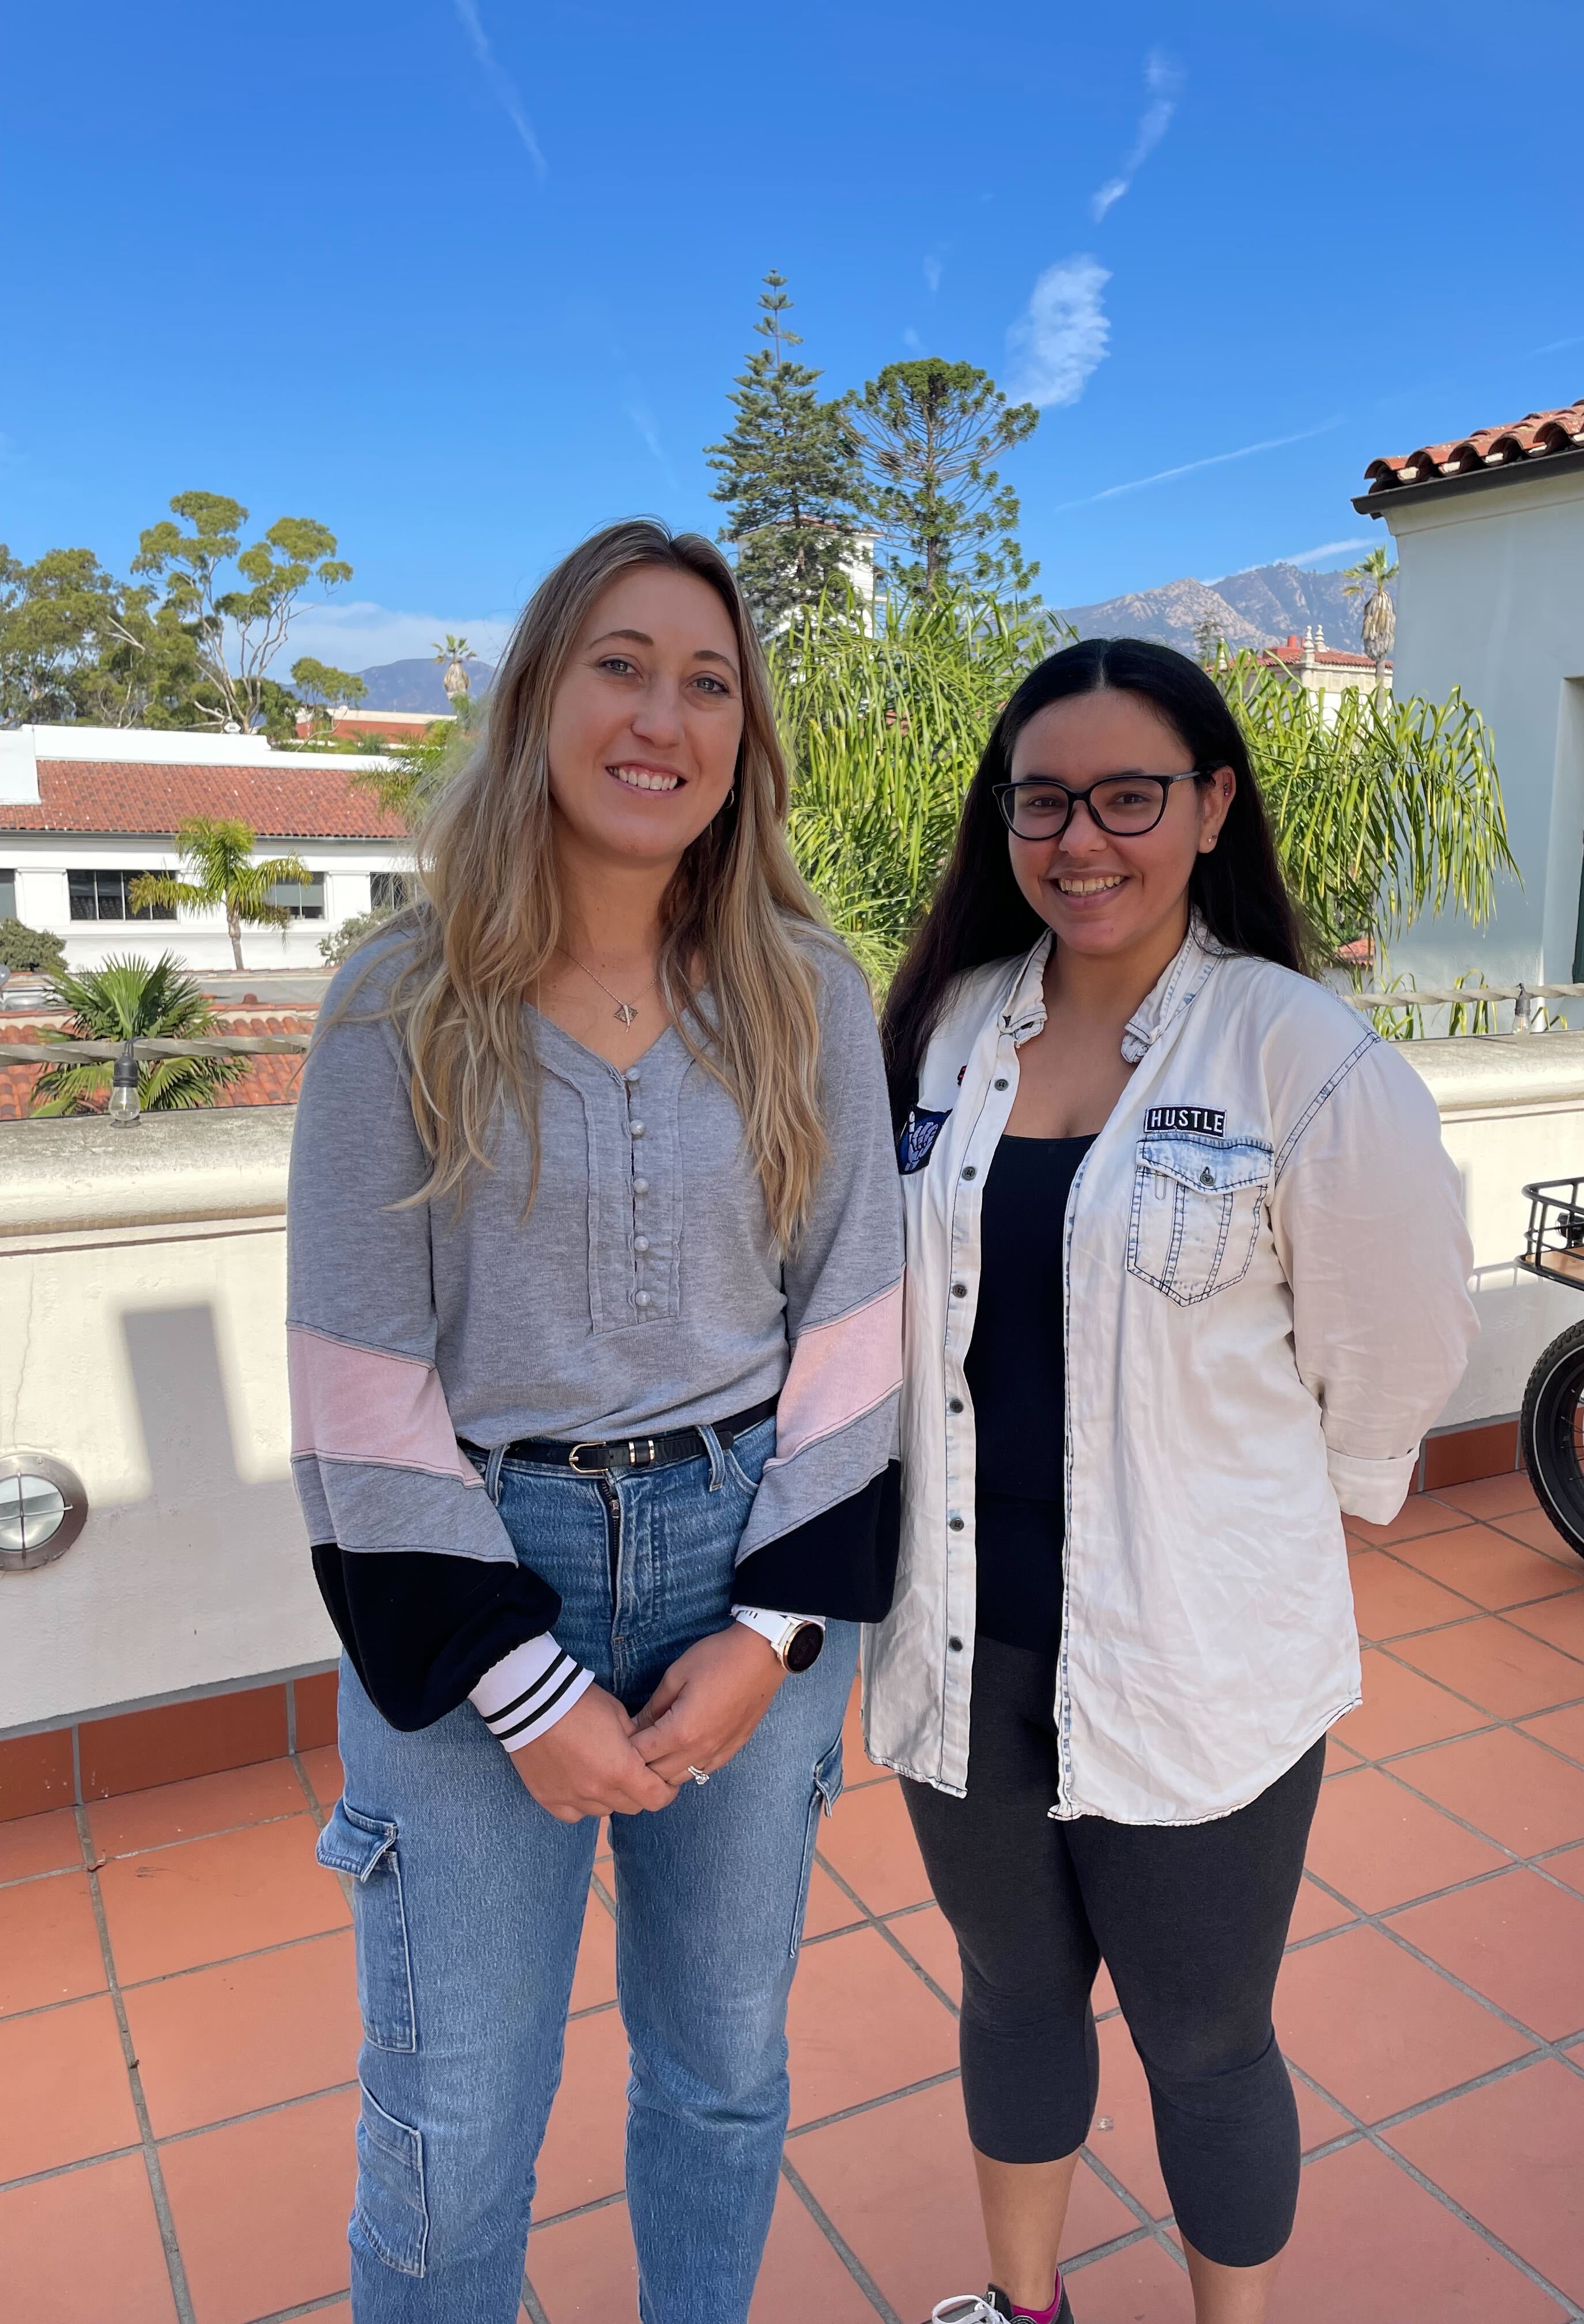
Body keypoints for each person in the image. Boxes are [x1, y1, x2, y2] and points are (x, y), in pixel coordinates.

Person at [286, 519, 902, 2322]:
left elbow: (854, 1336)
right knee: (457, 2123)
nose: (664, 715)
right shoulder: (399, 1005)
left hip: (745, 1551)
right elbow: (358, 1379)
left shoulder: (809, 991)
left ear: (747, 739)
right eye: (620, 665)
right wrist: (525, 1685)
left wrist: (781, 1630)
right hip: (481, 1568)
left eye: (709, 680)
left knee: (719, 2074)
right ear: (541, 698)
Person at [866, 637, 1477, 2324]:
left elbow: (1403, 1337)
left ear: (1212, 807)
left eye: (1130, 795)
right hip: (966, 1641)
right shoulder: (936, 1035)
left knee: (1206, 2040)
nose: (1082, 840)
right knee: (1012, 1994)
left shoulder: (1301, 1057)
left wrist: (1271, 1512)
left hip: (1200, 1662)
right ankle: (1024, 2303)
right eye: (1042, 800)